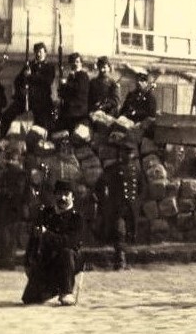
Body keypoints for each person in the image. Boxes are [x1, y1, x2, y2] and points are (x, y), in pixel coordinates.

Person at [21, 180, 83, 306]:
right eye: (59, 194)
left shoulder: (77, 218)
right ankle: (52, 289)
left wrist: (46, 234)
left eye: (66, 194)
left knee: (66, 252)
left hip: (69, 263)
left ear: (73, 197)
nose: (63, 198)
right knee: (29, 299)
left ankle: (66, 291)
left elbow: (69, 242)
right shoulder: (45, 213)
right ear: (54, 195)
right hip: (48, 262)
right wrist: (28, 262)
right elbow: (34, 239)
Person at [95, 131, 143, 270]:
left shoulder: (137, 170)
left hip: (131, 207)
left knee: (130, 232)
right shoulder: (112, 169)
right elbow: (100, 185)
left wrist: (138, 202)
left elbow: (142, 188)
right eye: (125, 152)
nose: (127, 155)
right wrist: (106, 201)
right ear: (120, 153)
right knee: (119, 231)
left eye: (130, 152)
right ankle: (120, 260)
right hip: (117, 207)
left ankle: (125, 259)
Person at [0, 147, 31, 268]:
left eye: (12, 160)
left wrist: (2, 193)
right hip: (9, 207)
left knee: (7, 233)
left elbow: (20, 191)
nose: (10, 162)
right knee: (6, 234)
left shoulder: (18, 174)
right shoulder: (9, 173)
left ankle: (7, 259)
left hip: (11, 207)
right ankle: (6, 259)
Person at [24, 43, 58, 130]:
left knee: (46, 124)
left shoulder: (50, 67)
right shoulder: (29, 66)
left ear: (45, 53)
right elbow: (19, 80)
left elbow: (47, 81)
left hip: (44, 101)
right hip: (32, 100)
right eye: (36, 52)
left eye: (40, 52)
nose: (38, 54)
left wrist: (31, 76)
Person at [56, 53, 90, 134]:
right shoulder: (70, 77)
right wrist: (62, 88)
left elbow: (79, 89)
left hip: (79, 112)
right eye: (73, 62)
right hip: (69, 111)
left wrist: (66, 84)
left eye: (77, 61)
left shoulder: (83, 75)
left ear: (81, 63)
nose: (75, 64)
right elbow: (63, 94)